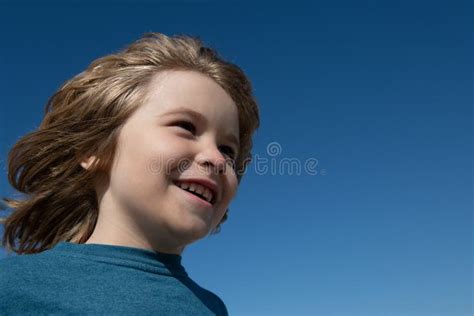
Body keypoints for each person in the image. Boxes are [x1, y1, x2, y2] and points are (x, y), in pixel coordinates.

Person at [0, 32, 260, 315]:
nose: (216, 159)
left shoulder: (212, 308)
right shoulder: (12, 287)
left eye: (228, 150)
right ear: (94, 149)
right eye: (186, 126)